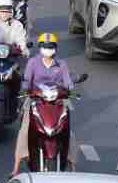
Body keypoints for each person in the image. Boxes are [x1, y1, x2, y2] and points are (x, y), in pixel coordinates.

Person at [13, 32, 75, 174]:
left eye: (50, 46)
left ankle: (72, 165)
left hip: (58, 100)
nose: (48, 49)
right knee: (24, 130)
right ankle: (16, 166)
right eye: (45, 46)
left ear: (55, 48)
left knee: (68, 132)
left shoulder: (62, 64)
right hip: (36, 99)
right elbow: (27, 80)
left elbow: (68, 82)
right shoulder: (33, 62)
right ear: (40, 48)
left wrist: (71, 90)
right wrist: (25, 89)